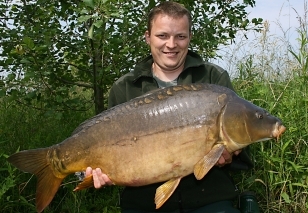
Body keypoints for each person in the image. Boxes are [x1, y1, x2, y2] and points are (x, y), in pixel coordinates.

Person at [86, 1, 253, 212]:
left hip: (209, 199)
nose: (171, 44)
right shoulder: (125, 87)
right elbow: (105, 147)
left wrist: (230, 155)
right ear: (148, 37)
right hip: (143, 203)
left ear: (189, 38)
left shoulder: (213, 78)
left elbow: (238, 137)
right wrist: (101, 172)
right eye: (162, 36)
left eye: (180, 36)